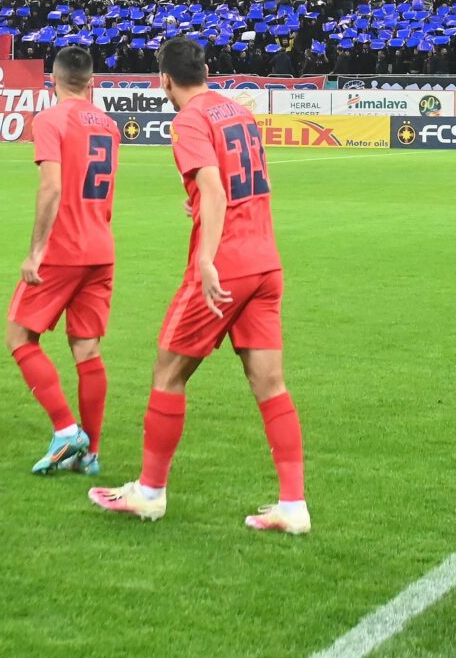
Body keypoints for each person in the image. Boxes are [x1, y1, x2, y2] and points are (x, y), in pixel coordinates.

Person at [91, 36, 310, 535]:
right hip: (266, 261)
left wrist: (207, 257)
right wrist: (202, 207)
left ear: (163, 79)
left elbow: (213, 186)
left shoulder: (188, 120)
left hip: (226, 265)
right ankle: (293, 505)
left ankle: (149, 493)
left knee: (168, 371)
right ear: (207, 69)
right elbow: (246, 183)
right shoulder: (238, 111)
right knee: (270, 384)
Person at [6, 46, 118, 475]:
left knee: (19, 337)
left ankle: (66, 429)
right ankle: (90, 454)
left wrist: (36, 250)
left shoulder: (51, 119)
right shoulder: (107, 125)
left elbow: (51, 187)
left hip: (63, 249)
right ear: (91, 82)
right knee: (87, 349)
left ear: (53, 79)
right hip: (100, 248)